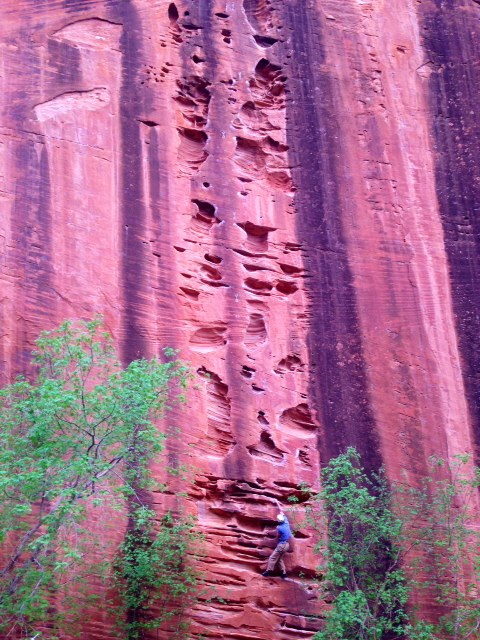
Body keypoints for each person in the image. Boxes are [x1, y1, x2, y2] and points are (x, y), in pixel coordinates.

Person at [262, 513, 292, 579]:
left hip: (281, 545)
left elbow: (277, 536)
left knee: (272, 557)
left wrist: (268, 532)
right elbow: (283, 514)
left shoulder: (279, 528)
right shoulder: (286, 523)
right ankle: (284, 574)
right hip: (287, 545)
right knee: (279, 559)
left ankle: (268, 571)